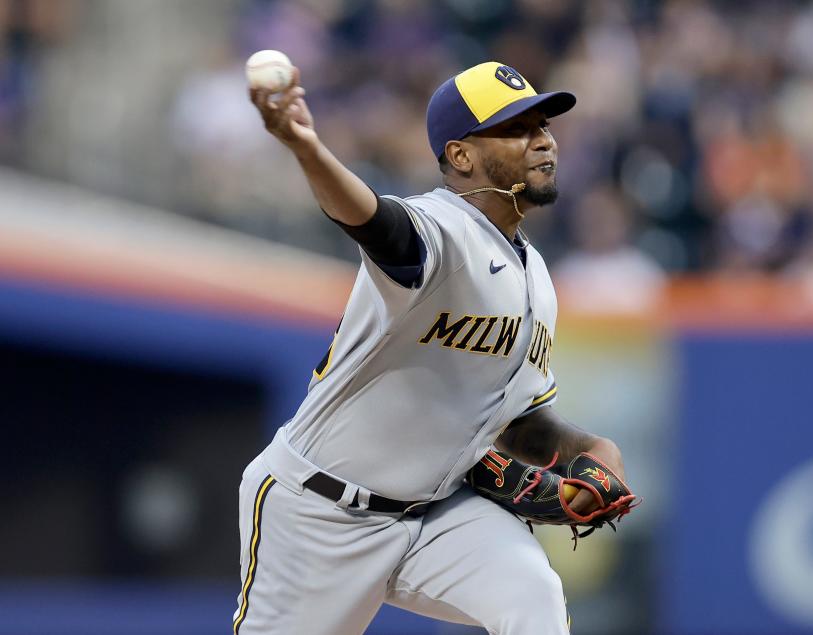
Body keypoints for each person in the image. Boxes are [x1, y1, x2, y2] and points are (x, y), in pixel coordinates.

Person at [235, 60, 629, 635]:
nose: (543, 140)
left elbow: (518, 421)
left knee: (533, 596)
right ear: (461, 155)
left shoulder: (537, 275)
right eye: (518, 128)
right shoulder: (439, 230)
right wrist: (306, 149)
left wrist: (589, 447)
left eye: (543, 126)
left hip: (437, 515)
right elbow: (372, 220)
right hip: (319, 516)